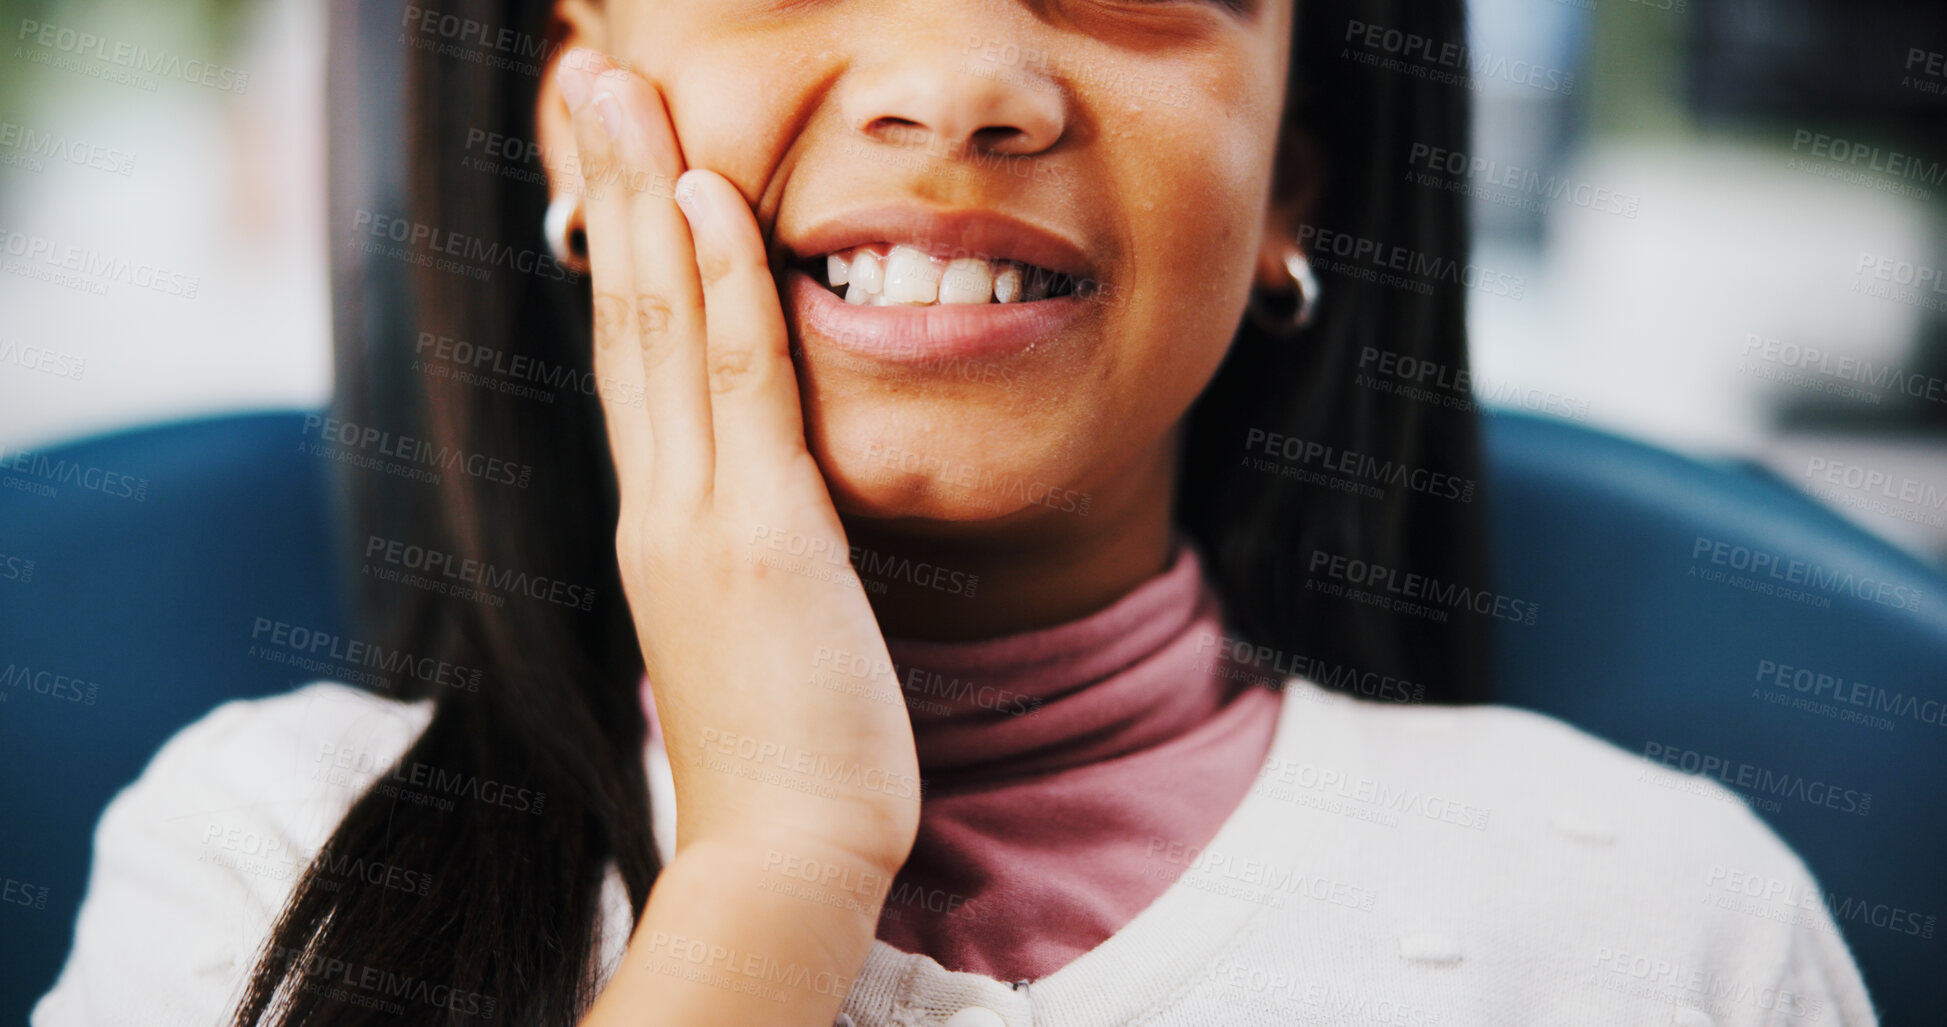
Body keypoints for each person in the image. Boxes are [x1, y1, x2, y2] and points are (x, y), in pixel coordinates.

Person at [36, 1, 1876, 1024]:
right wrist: (778, 861)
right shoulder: (252, 864)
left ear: (1294, 175)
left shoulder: (1663, 929)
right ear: (567, 109)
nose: (959, 87)